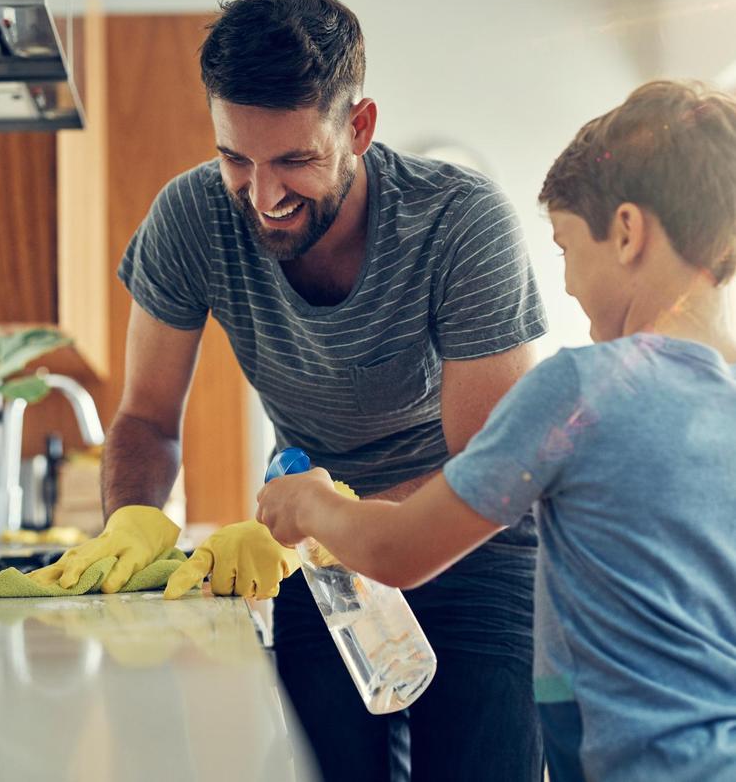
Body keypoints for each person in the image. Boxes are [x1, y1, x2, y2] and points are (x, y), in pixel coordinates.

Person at [30, 0, 547, 781]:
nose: (264, 197)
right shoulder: (192, 218)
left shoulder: (461, 223)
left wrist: (337, 514)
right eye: (236, 158)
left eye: (295, 161)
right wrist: (131, 527)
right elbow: (147, 418)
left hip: (466, 553)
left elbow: (488, 474)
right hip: (319, 560)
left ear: (359, 128)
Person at [257, 79, 736, 782]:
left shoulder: (581, 390)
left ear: (628, 231)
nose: (567, 283)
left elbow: (398, 552)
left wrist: (308, 502)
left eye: (568, 248)